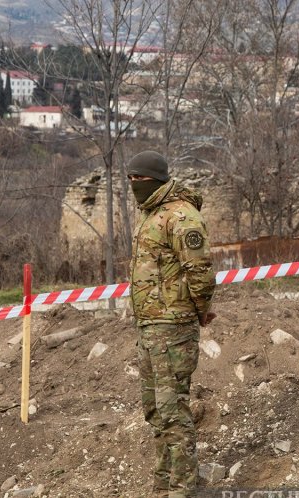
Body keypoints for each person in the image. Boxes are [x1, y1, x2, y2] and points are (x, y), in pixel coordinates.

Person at [127, 151, 216, 498]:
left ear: (155, 179)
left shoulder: (181, 216)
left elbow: (200, 271)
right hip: (150, 327)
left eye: (139, 179)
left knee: (172, 411)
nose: (134, 185)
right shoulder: (150, 213)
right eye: (130, 180)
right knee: (154, 410)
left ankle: (182, 489)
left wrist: (199, 310)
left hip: (173, 328)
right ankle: (163, 485)